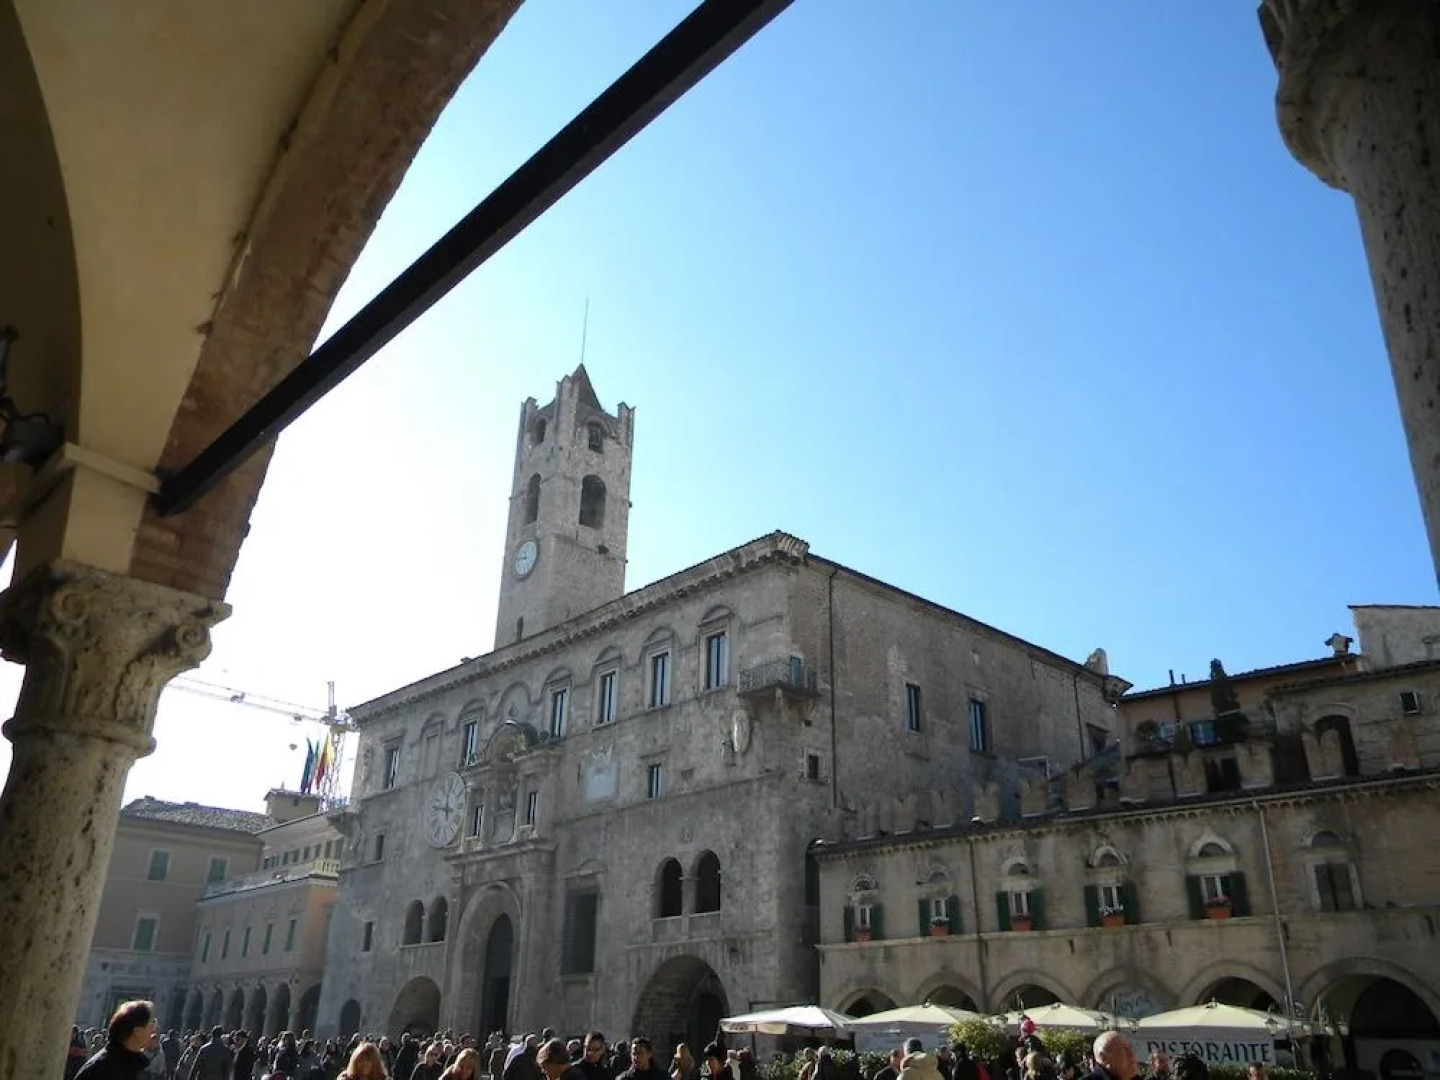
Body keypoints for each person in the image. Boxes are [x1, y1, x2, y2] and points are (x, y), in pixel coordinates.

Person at [75, 1000, 160, 1080]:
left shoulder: (138, 1065)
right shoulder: (100, 1070)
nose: (154, 1030)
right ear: (137, 1030)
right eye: (152, 1023)